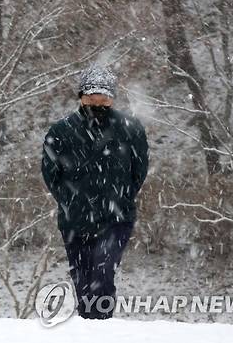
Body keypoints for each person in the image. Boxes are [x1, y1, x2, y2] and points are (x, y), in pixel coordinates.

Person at [41, 66, 149, 319]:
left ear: (112, 98)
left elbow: (139, 172)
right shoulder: (61, 131)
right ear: (81, 97)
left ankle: (101, 328)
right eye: (91, 97)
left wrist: (119, 197)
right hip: (74, 219)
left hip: (116, 218)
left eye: (103, 97)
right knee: (82, 279)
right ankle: (87, 328)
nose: (97, 102)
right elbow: (50, 174)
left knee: (103, 274)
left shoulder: (130, 128)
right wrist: (71, 200)